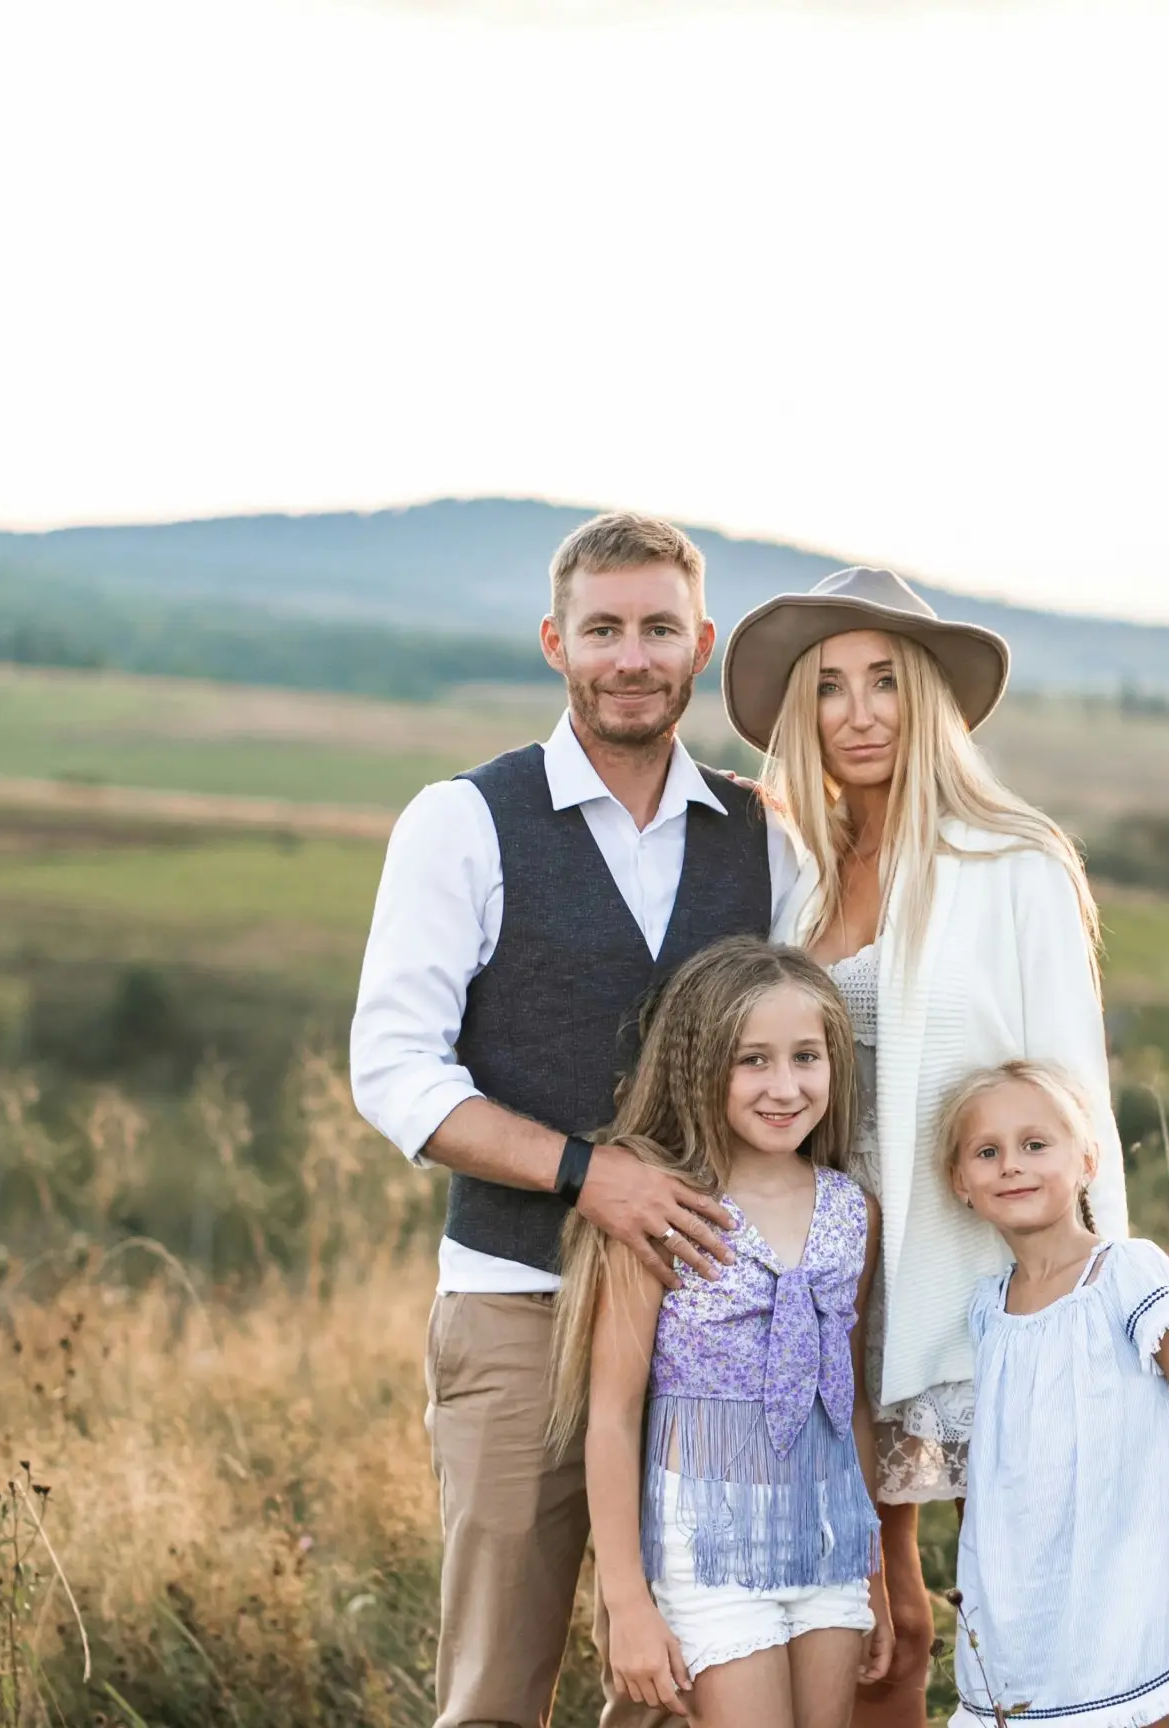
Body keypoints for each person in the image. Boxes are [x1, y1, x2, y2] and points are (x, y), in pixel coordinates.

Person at [350, 512, 801, 1728]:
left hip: (714, 1322)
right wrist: (583, 1175)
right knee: (498, 1688)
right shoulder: (461, 821)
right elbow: (393, 1070)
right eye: (603, 630)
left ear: (699, 645)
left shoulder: (766, 835)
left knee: (682, 1688)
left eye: (658, 629)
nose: (631, 657)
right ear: (556, 641)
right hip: (516, 1308)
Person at [719, 567, 1126, 1722]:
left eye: (883, 682)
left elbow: (1070, 1099)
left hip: (974, 1293)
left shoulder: (1012, 864)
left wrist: (1090, 1307)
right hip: (830, 1299)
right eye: (830, 688)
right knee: (873, 1624)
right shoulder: (797, 886)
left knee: (1026, 1614)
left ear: (929, 701)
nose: (856, 713)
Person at [550, 937, 896, 1725]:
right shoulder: (663, 1213)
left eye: (807, 1057)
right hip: (710, 1549)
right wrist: (628, 1603)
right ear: (701, 1065)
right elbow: (611, 1416)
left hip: (830, 1540)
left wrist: (871, 1569)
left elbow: (852, 1406)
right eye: (754, 1061)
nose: (786, 1086)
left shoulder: (853, 1212)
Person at [942, 1060, 1169, 1727]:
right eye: (987, 1152)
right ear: (960, 1183)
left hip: (1123, 1600)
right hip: (1021, 1615)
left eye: (1035, 1145)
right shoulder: (985, 1308)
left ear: (1087, 1159)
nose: (1011, 1166)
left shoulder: (1128, 1273)